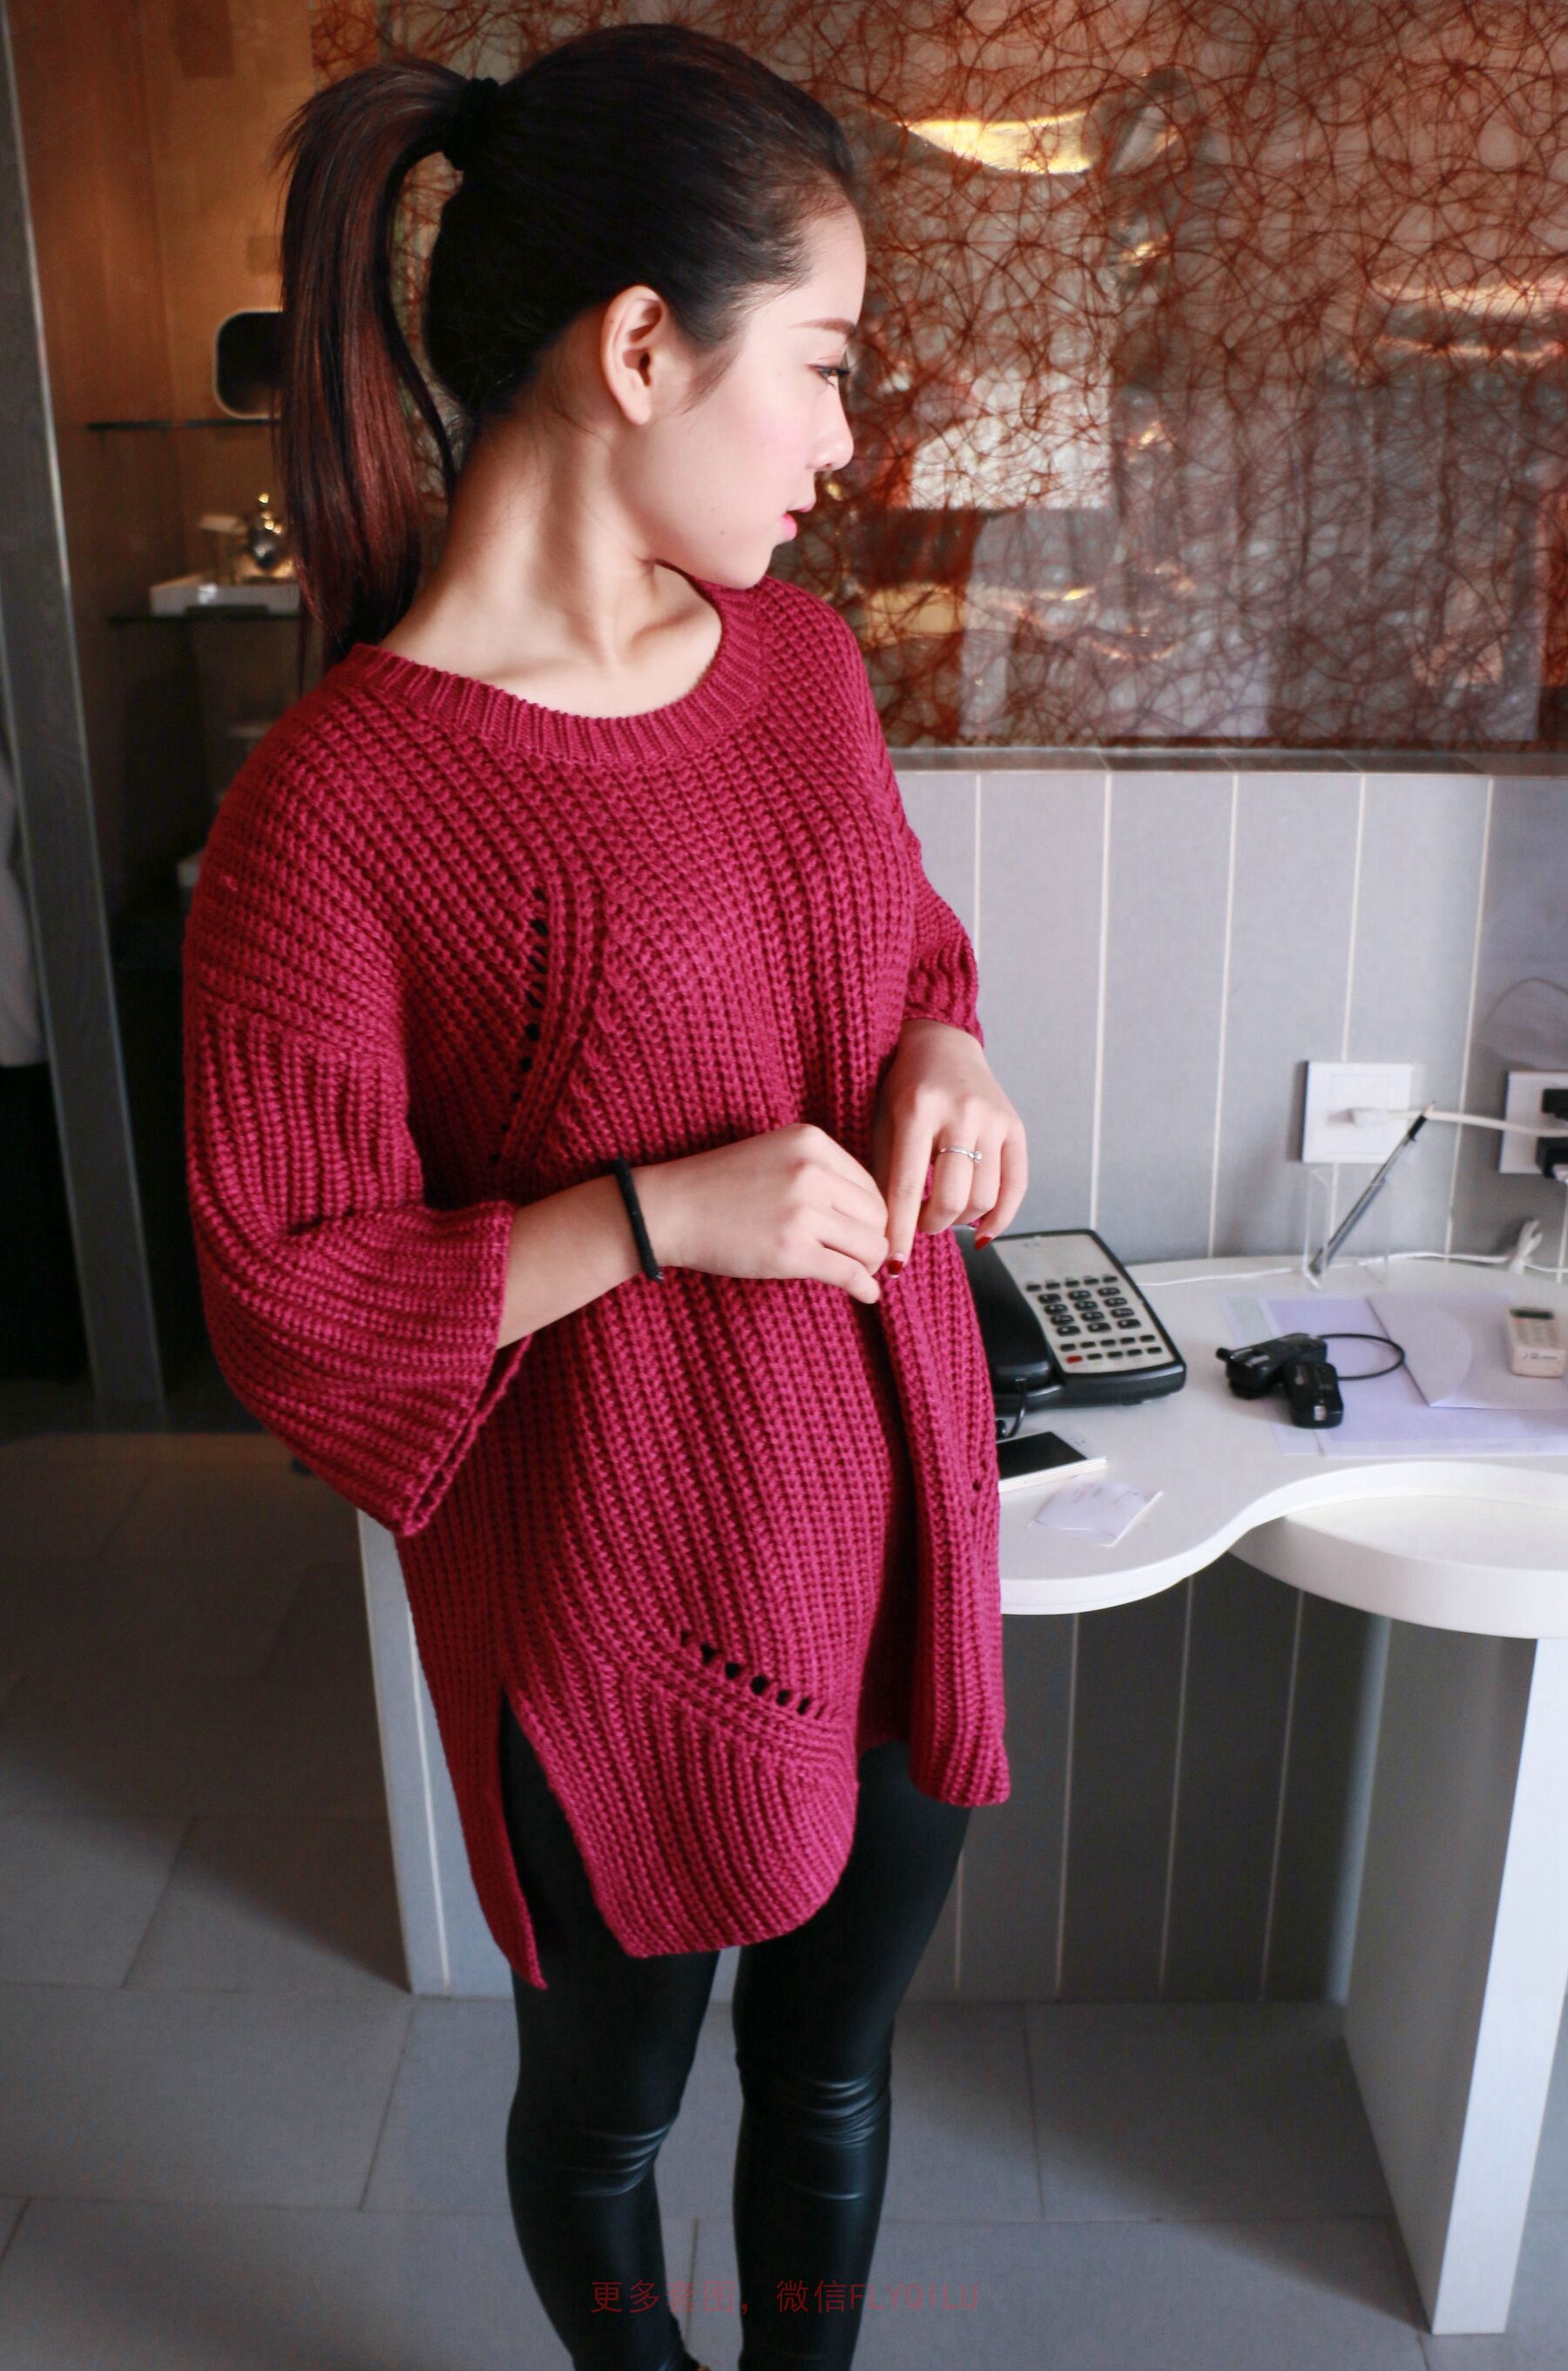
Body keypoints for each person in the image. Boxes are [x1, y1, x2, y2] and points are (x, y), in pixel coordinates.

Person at [183, 24, 1027, 2370]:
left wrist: (945, 1045)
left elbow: (895, 952)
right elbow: (289, 1296)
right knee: (609, 2114)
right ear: (643, 345)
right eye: (827, 366)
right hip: (617, 1605)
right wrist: (656, 1216)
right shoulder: (336, 811)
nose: (848, 441)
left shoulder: (801, 671)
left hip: (896, 1524)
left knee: (835, 2069)